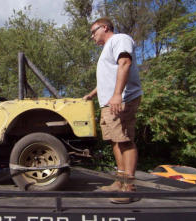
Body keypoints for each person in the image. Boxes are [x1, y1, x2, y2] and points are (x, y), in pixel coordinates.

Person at [83, 18, 143, 204]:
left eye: (94, 31)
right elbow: (106, 79)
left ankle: (129, 187)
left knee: (125, 140)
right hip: (108, 103)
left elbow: (125, 63)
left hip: (121, 100)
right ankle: (120, 180)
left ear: (105, 27)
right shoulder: (106, 49)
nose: (92, 36)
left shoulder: (120, 39)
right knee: (115, 141)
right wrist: (91, 95)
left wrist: (117, 95)